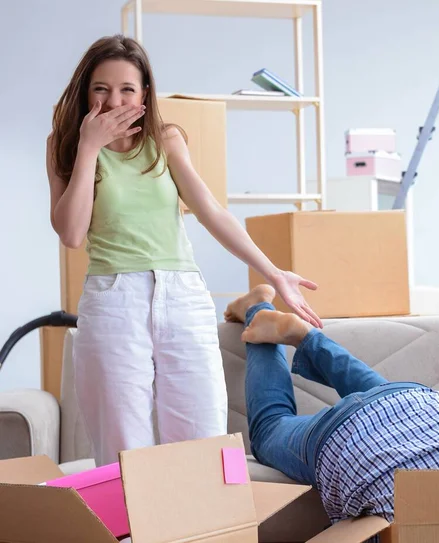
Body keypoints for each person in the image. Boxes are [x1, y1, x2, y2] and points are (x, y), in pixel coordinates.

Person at [46, 35, 322, 467]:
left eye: (126, 89)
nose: (114, 100)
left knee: (204, 440)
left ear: (145, 94)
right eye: (101, 89)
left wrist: (273, 272)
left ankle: (205, 533)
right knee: (123, 450)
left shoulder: (166, 140)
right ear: (86, 92)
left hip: (182, 294)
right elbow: (71, 233)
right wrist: (88, 147)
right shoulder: (66, 145)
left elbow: (211, 211)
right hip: (113, 299)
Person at [224, 285, 439, 527]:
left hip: (424, 405)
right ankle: (257, 310)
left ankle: (306, 336)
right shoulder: (409, 527)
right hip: (347, 434)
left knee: (388, 398)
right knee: (268, 430)